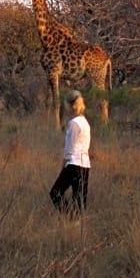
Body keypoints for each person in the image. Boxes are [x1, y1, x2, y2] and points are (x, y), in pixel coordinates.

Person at [49, 89, 91, 217]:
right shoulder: (85, 122)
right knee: (79, 199)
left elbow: (69, 149)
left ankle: (69, 217)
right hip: (85, 165)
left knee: (55, 193)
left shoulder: (73, 123)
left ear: (70, 105)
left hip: (74, 164)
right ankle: (77, 225)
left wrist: (63, 167)